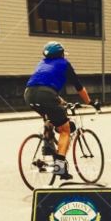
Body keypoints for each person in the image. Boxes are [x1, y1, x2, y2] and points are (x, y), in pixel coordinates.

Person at [24, 42, 97, 180]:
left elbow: (42, 85)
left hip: (29, 94)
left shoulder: (42, 64)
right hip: (47, 94)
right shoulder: (64, 63)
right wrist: (90, 102)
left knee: (49, 117)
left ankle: (47, 146)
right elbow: (78, 87)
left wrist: (60, 101)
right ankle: (60, 168)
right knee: (65, 130)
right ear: (61, 54)